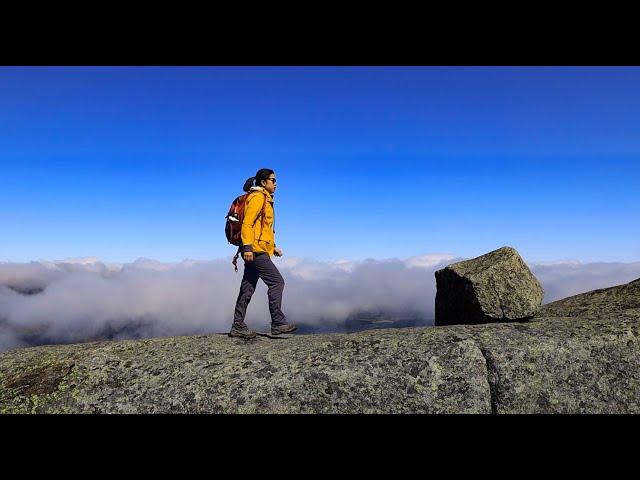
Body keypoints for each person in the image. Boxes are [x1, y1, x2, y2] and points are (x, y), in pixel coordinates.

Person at [229, 168, 298, 339]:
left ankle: (237, 325)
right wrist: (247, 248)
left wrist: (273, 247)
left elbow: (263, 228)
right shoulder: (258, 197)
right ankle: (278, 323)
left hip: (258, 249)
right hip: (255, 251)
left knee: (247, 288)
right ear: (263, 182)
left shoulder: (265, 199)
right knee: (277, 282)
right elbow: (247, 223)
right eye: (273, 180)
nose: (276, 183)